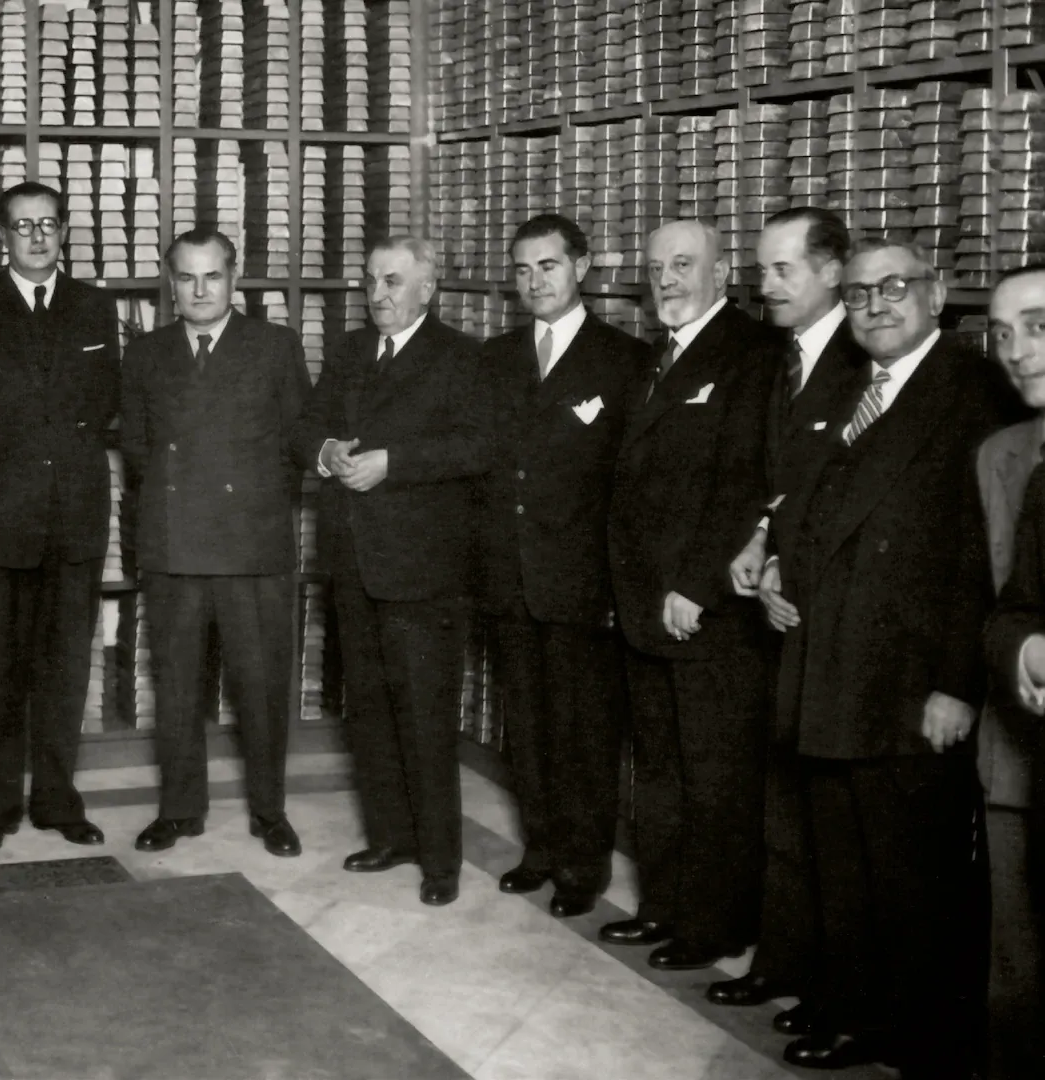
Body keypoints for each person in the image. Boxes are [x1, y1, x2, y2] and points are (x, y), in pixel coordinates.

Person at [770, 238, 994, 1073]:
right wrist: (774, 569)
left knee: (910, 874)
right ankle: (853, 1004)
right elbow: (802, 505)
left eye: (895, 288)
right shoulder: (849, 388)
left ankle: (915, 1033)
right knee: (842, 856)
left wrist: (955, 684)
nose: (876, 305)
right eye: (860, 293)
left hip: (907, 681)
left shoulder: (972, 391)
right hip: (829, 663)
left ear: (936, 296)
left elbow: (981, 557)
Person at [294, 235, 490, 906]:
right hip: (352, 562)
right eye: (372, 280)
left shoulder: (462, 358)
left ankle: (440, 860)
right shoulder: (349, 351)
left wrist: (392, 464)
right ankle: (389, 837)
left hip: (423, 570)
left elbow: (477, 446)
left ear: (427, 290)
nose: (378, 294)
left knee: (426, 717)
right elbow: (308, 427)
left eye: (394, 281)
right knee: (369, 711)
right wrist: (327, 452)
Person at [603, 219, 778, 970]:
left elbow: (746, 486)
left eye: (683, 265)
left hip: (702, 610)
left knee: (715, 778)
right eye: (656, 268)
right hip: (647, 606)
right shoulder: (658, 357)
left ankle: (714, 925)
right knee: (664, 771)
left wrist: (697, 587)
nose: (667, 280)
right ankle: (665, 907)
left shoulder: (752, 354)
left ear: (723, 271)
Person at [709, 208, 867, 1016]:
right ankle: (782, 957)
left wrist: (781, 553)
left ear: (833, 270)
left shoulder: (864, 359)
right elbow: (773, 477)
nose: (765, 286)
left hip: (828, 620)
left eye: (782, 271)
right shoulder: (777, 358)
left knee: (827, 812)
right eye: (762, 270)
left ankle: (833, 984)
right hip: (771, 610)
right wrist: (757, 536)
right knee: (778, 795)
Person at [0, 181, 121, 853]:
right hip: (1, 523)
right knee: (3, 672)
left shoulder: (95, 308)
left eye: (48, 224)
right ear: (1, 236)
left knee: (66, 669)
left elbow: (103, 408)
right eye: (23, 226)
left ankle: (56, 800)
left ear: (66, 230)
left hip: (74, 519)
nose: (37, 236)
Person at [478, 214, 650, 918]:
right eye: (522, 269)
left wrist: (619, 582)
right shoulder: (496, 356)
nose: (534, 281)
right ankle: (540, 849)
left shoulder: (625, 359)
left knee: (585, 732)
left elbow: (632, 484)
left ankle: (584, 866)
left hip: (584, 582)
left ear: (581, 268)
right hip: (510, 576)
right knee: (528, 725)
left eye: (547, 265)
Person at [122, 227, 311, 856]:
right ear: (169, 283)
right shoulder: (146, 353)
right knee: (175, 687)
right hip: (174, 546)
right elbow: (139, 449)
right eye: (186, 276)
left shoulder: (275, 346)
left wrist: (253, 505)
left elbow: (296, 443)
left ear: (236, 277)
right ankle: (178, 810)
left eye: (212, 275)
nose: (199, 290)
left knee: (260, 688)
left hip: (253, 547)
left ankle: (270, 811)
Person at [978, 263, 1045, 1075]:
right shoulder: (1014, 459)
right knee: (1019, 985)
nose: (1016, 352)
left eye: (1037, 327)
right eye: (1000, 336)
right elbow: (1005, 604)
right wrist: (1022, 647)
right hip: (1022, 762)